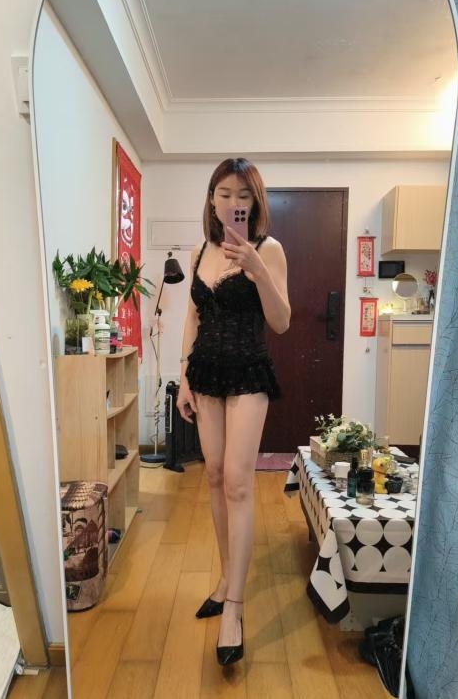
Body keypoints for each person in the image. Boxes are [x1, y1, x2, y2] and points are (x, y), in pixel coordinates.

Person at [177, 157, 290, 666]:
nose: (233, 203)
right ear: (211, 198)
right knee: (215, 476)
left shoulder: (270, 249)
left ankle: (235, 609)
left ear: (255, 202)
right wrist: (183, 376)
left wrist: (256, 268)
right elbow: (192, 317)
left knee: (240, 484)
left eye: (243, 195)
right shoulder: (199, 250)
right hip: (205, 374)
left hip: (248, 373)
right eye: (224, 193)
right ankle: (226, 579)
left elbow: (281, 321)